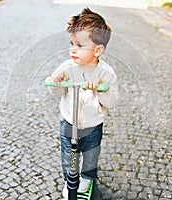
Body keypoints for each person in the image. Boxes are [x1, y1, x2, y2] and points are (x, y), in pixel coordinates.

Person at [49, 7, 118, 197]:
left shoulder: (106, 73)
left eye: (80, 45)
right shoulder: (67, 68)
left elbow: (111, 101)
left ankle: (87, 179)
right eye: (72, 44)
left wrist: (100, 87)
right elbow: (56, 92)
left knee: (90, 155)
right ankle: (69, 180)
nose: (73, 50)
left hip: (92, 125)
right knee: (68, 156)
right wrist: (56, 81)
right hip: (68, 122)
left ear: (98, 50)